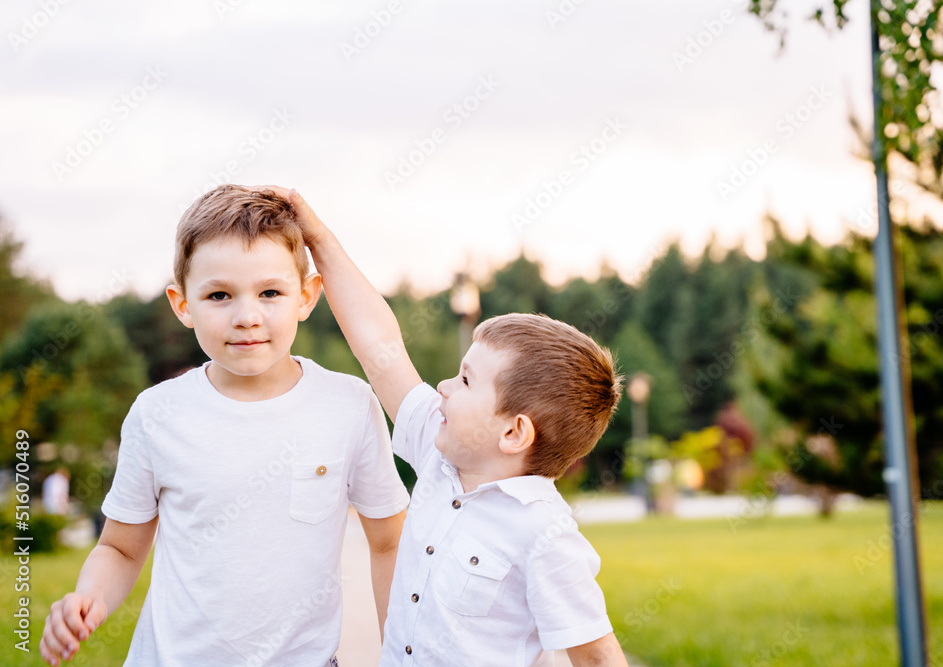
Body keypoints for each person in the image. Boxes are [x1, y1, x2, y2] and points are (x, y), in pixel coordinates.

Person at [40, 186, 410, 667]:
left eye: (270, 292)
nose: (247, 317)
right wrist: (87, 598)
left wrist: (403, 653)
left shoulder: (349, 405)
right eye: (219, 295)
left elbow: (389, 541)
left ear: (307, 296)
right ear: (183, 304)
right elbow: (121, 548)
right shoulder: (157, 414)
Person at [280, 186, 630, 666]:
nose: (443, 387)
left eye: (466, 380)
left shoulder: (544, 534)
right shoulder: (439, 452)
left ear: (512, 433)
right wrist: (318, 239)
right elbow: (378, 348)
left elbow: (597, 655)